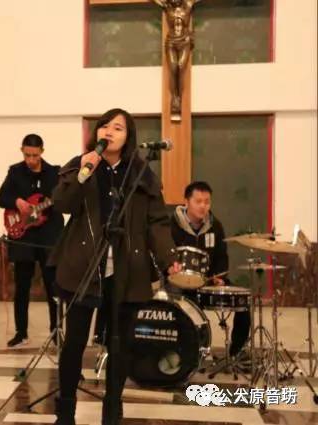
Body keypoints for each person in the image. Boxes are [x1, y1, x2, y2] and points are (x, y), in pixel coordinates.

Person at [49, 108, 181, 425]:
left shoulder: (141, 174)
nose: (109, 131)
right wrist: (84, 173)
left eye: (118, 127)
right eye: (104, 126)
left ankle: (112, 411)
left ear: (128, 137)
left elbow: (156, 222)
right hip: (83, 267)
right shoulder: (80, 165)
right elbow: (62, 204)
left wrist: (168, 258)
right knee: (74, 342)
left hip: (126, 269)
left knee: (119, 344)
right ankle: (65, 412)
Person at [0, 134, 64, 348]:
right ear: (22, 151)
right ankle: (21, 332)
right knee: (22, 286)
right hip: (23, 236)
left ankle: (56, 331)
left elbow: (62, 201)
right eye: (27, 155)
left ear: (42, 151)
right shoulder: (15, 172)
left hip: (48, 236)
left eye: (35, 155)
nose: (31, 160)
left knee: (53, 286)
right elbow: (0, 198)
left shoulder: (55, 173)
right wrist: (17, 201)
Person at [170, 181, 250, 357]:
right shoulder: (172, 225)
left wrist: (219, 277)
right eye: (198, 201)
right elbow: (165, 255)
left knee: (243, 302)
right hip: (180, 283)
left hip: (208, 281)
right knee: (183, 310)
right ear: (186, 202)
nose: (203, 206)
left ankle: (237, 352)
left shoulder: (215, 226)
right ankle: (187, 352)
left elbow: (221, 256)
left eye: (207, 202)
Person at [151, 0, 202, 114]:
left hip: (184, 41)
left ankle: (179, 97)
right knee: (173, 67)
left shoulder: (188, 5)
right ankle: (175, 98)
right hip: (171, 42)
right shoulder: (168, 7)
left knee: (180, 66)